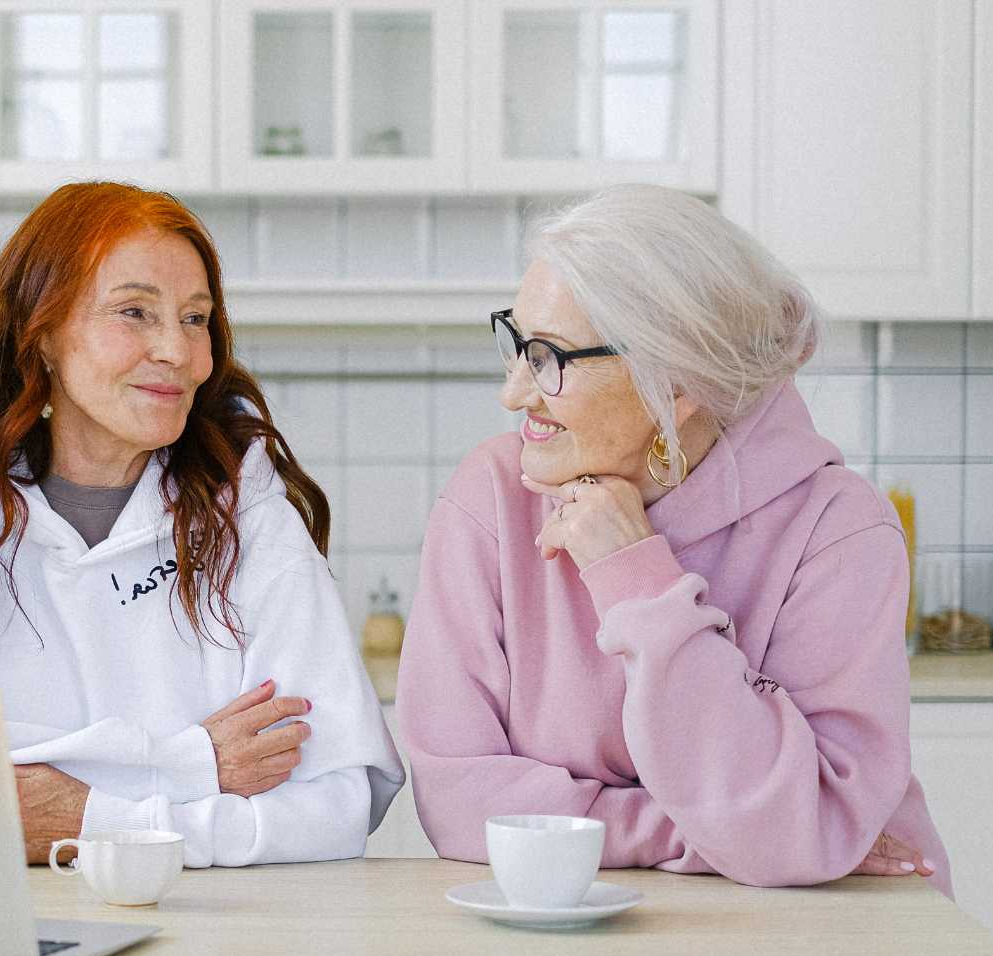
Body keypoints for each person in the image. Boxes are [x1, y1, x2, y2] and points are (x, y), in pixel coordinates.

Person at [399, 184, 951, 894]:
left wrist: (637, 581)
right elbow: (458, 801)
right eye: (517, 344)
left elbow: (802, 828)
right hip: (581, 935)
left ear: (676, 383)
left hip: (826, 938)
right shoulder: (494, 498)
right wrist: (699, 833)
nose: (514, 392)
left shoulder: (840, 531)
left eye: (550, 358)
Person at [0, 181, 403, 867]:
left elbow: (340, 806)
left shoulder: (253, 525)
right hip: (6, 941)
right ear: (43, 333)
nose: (177, 350)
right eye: (135, 312)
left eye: (195, 318)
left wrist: (74, 817)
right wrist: (193, 764)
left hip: (222, 951)